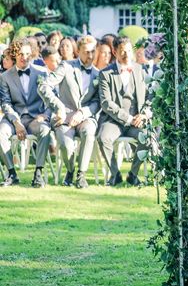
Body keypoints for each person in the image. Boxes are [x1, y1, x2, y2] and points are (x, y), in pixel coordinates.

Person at [38, 35, 100, 188]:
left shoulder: (98, 74)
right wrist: (58, 107)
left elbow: (97, 102)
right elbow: (44, 86)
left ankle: (81, 175)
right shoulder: (66, 66)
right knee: (66, 146)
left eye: (93, 52)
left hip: (86, 117)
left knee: (89, 131)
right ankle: (71, 170)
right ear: (78, 51)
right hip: (64, 116)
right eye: (86, 52)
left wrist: (82, 113)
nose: (90, 56)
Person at [96, 37, 150, 186]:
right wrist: (128, 118)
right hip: (114, 121)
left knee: (147, 137)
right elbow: (106, 103)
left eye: (128, 50)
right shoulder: (105, 74)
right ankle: (115, 174)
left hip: (136, 122)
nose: (126, 54)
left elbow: (150, 96)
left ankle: (133, 174)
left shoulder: (141, 70)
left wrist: (144, 114)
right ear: (114, 52)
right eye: (122, 51)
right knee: (103, 138)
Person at [0, 39, 52, 187]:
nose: (24, 57)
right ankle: (11, 173)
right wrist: (16, 122)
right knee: (1, 132)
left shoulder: (42, 72)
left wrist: (45, 115)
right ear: (15, 55)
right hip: (14, 117)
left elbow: (51, 98)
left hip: (36, 117)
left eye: (28, 54)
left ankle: (38, 173)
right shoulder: (5, 77)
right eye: (21, 54)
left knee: (45, 129)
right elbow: (6, 103)